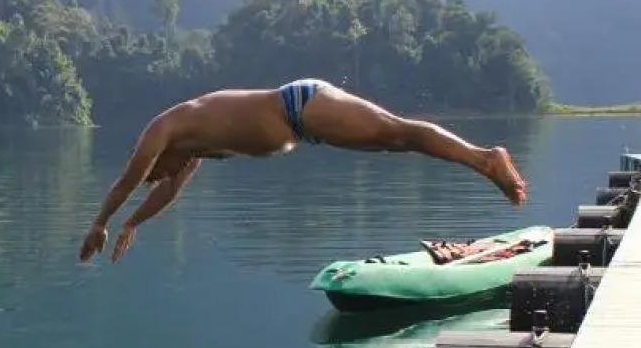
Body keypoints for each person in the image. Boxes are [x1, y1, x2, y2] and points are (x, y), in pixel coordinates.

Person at [79, 79, 528, 263]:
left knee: (399, 133)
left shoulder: (165, 128)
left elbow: (129, 180)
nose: (165, 176)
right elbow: (166, 191)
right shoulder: (189, 150)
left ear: (159, 158)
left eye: (159, 172)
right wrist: (132, 224)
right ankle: (482, 159)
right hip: (306, 125)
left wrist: (100, 222)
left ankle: (486, 159)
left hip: (302, 105)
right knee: (397, 143)